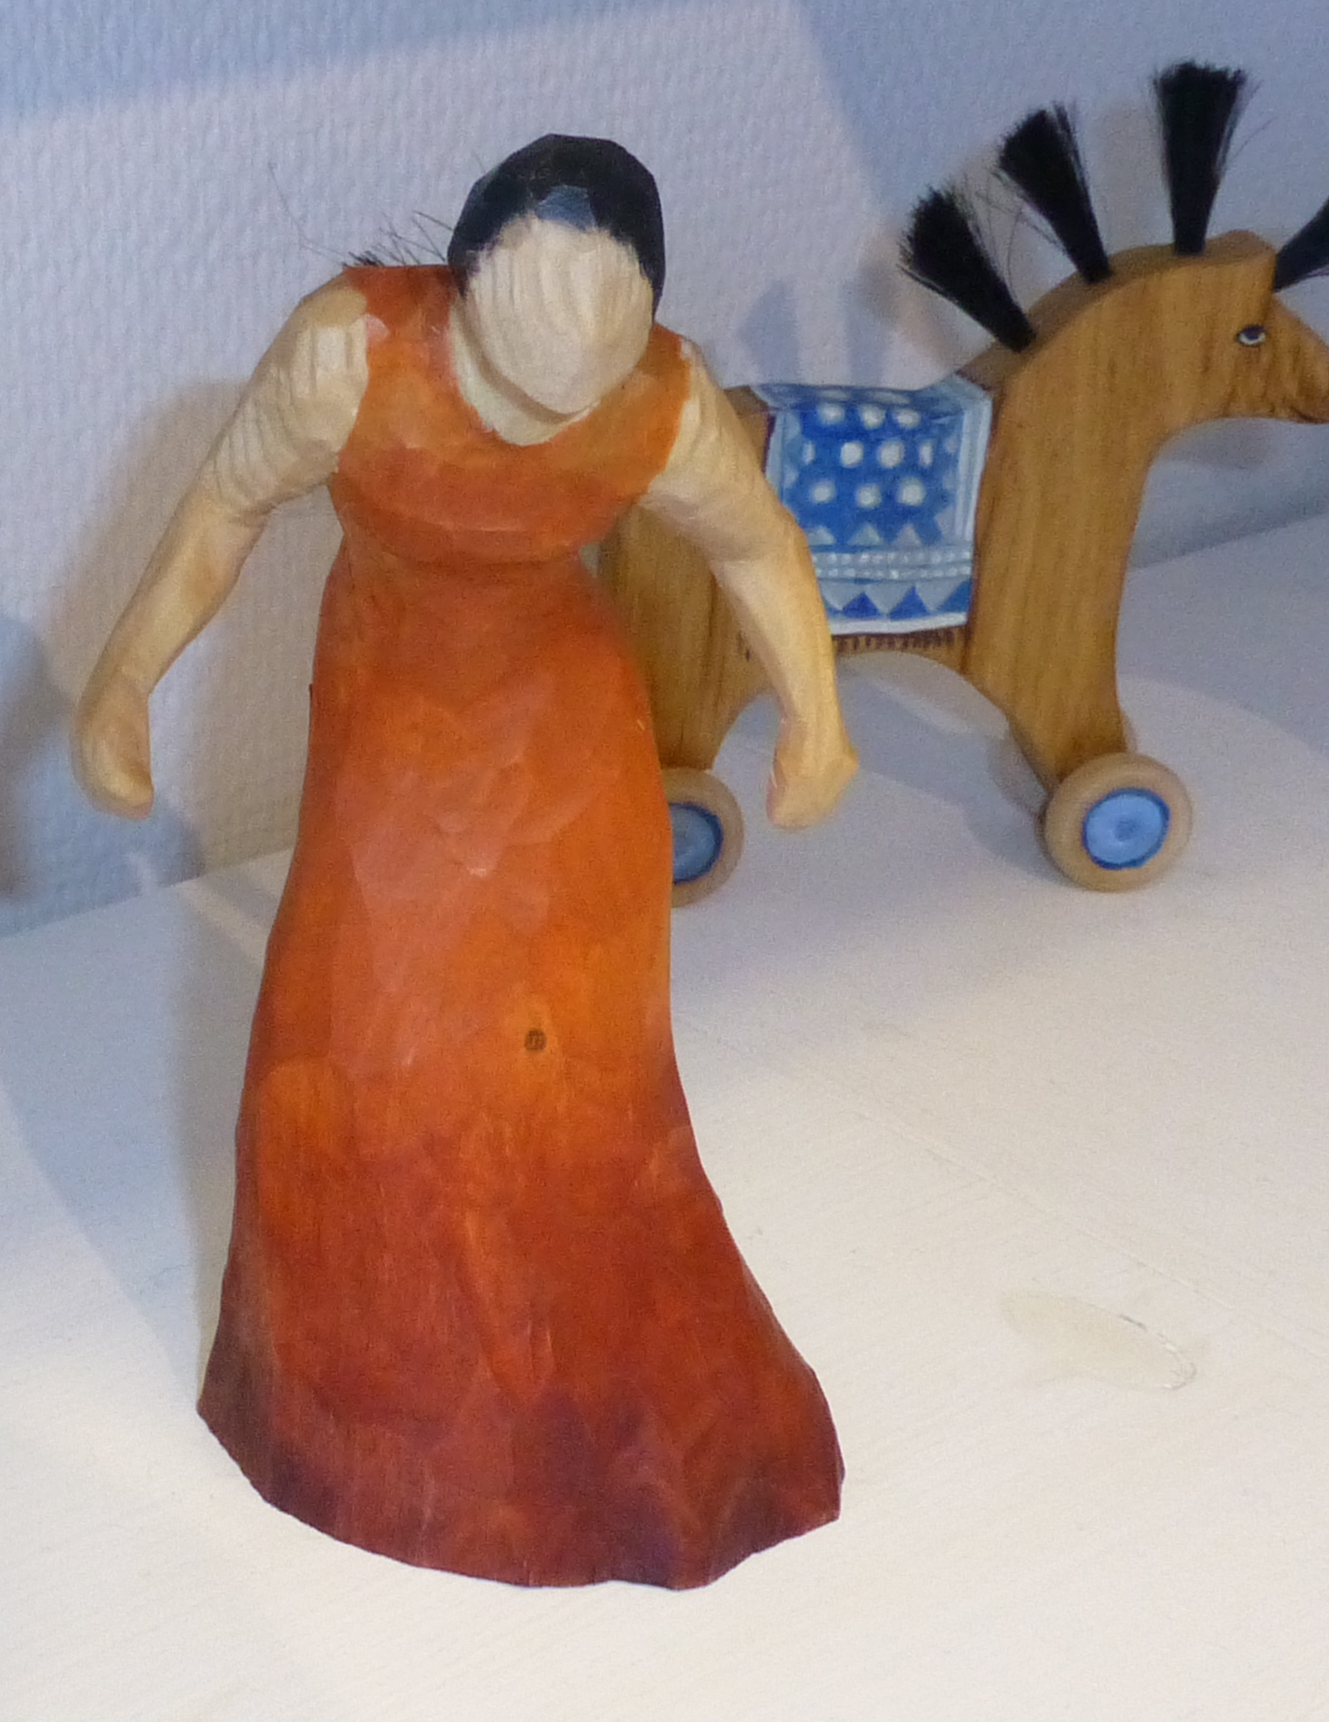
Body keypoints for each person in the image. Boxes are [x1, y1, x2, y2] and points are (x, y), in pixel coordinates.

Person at [74, 136, 852, 1588]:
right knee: (361, 1033)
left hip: (567, 731)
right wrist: (123, 684)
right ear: (463, 286)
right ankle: (368, 1407)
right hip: (393, 716)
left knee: (582, 1058)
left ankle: (575, 1402)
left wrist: (817, 711)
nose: (549, 413)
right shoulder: (351, 354)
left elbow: (754, 546)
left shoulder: (664, 400)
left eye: (588, 380)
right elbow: (225, 508)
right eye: (518, 374)